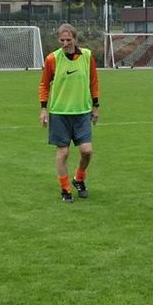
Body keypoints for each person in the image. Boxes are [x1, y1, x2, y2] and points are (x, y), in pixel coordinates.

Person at [39, 23, 100, 203]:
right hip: (59, 112)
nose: (65, 43)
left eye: (68, 39)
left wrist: (96, 106)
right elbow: (44, 84)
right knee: (63, 153)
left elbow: (94, 82)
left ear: (75, 39)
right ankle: (65, 190)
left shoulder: (87, 56)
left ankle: (79, 179)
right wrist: (43, 108)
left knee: (87, 151)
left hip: (82, 111)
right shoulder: (52, 59)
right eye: (62, 40)